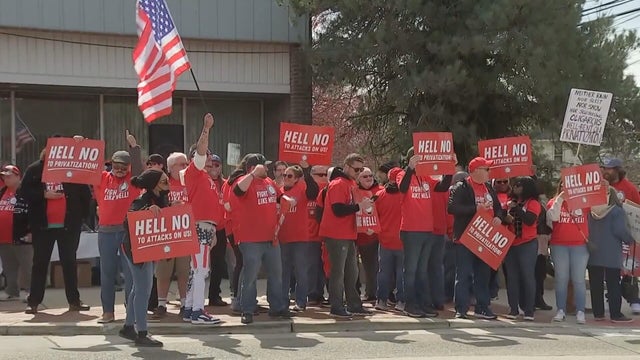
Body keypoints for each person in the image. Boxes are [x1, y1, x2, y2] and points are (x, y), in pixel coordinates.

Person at [21, 137, 92, 314]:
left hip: (68, 226)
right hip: (43, 226)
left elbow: (86, 196)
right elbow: (24, 191)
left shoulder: (73, 170)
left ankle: (74, 301)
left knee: (69, 262)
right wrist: (43, 194)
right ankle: (34, 302)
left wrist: (81, 218)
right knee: (40, 263)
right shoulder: (35, 169)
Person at [232, 153, 294, 324]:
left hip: (271, 238)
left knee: (276, 274)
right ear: (253, 168)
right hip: (251, 239)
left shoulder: (268, 182)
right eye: (264, 166)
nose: (267, 168)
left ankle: (277, 307)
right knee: (251, 275)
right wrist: (252, 175)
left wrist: (285, 198)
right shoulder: (245, 181)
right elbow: (238, 191)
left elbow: (278, 196)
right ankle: (247, 309)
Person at [397, 148, 452, 318]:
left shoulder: (427, 177)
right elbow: (403, 188)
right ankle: (410, 304)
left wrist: (450, 167)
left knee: (422, 270)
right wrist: (410, 168)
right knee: (411, 270)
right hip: (411, 230)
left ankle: (422, 303)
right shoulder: (403, 174)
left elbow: (442, 188)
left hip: (428, 229)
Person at [95, 132, 143, 323]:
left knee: (130, 274)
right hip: (105, 232)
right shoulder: (102, 179)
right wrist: (78, 144)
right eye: (116, 166)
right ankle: (108, 311)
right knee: (106, 272)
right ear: (111, 165)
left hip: (127, 231)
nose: (120, 170)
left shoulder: (133, 180)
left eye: (124, 167)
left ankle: (130, 311)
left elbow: (139, 170)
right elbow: (85, 169)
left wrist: (135, 148)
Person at [119, 169, 170, 347]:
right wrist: (147, 210)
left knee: (137, 289)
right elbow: (128, 219)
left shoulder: (162, 199)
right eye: (164, 182)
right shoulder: (142, 200)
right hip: (135, 250)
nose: (168, 184)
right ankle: (142, 333)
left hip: (146, 250)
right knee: (143, 291)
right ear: (153, 185)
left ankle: (128, 327)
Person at [181, 113, 223, 324]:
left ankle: (190, 308)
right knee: (201, 269)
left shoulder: (204, 178)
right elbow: (200, 150)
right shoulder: (194, 172)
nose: (209, 158)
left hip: (205, 228)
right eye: (207, 155)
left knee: (196, 268)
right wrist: (206, 128)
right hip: (198, 227)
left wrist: (213, 231)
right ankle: (198, 310)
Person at [319, 153, 373, 318]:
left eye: (360, 169)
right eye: (356, 169)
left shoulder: (349, 183)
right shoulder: (338, 184)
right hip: (336, 234)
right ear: (347, 166)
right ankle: (337, 305)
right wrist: (359, 206)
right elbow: (338, 209)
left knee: (352, 271)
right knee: (339, 272)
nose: (358, 172)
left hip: (347, 233)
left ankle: (354, 304)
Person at [448, 157, 502, 320]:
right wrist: (475, 209)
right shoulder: (461, 187)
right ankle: (461, 309)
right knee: (463, 275)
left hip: (484, 238)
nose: (489, 172)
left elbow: (498, 208)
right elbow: (452, 208)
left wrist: (499, 217)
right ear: (476, 170)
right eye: (486, 169)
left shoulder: (488, 188)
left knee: (483, 275)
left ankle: (482, 307)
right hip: (466, 238)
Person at [587, 186, 634, 323]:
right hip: (612, 253)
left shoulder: (591, 211)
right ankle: (615, 314)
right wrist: (630, 239)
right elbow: (620, 230)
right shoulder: (616, 212)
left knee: (596, 285)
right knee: (613, 284)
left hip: (593, 252)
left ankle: (598, 313)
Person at [278, 162, 320, 311]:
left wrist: (306, 170)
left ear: (296, 179)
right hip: (283, 238)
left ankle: (301, 302)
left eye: (289, 176)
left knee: (301, 271)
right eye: (284, 175)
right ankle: (283, 302)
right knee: (283, 271)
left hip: (300, 238)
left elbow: (313, 192)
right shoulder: (279, 191)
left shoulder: (302, 188)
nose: (286, 178)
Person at [601, 157, 640, 315]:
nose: (605, 171)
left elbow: (638, 208)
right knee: (610, 270)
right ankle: (613, 297)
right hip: (605, 235)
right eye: (604, 168)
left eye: (609, 169)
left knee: (629, 267)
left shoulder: (628, 187)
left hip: (625, 234)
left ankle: (634, 299)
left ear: (617, 170)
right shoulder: (600, 186)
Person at [153, 152, 190, 318]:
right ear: (171, 168)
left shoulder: (190, 183)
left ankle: (184, 303)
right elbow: (153, 205)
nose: (185, 167)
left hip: (185, 233)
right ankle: (161, 304)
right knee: (163, 271)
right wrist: (169, 206)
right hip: (166, 234)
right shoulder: (162, 184)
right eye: (182, 164)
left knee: (184, 270)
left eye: (186, 164)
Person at [546, 181, 589, 324]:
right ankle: (561, 310)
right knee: (561, 279)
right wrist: (560, 199)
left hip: (580, 246)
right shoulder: (554, 201)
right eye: (564, 185)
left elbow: (599, 210)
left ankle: (580, 311)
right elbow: (553, 218)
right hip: (559, 246)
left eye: (569, 185)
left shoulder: (583, 201)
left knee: (578, 280)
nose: (566, 188)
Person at [503, 176, 542, 321]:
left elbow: (530, 220)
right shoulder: (510, 202)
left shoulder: (533, 203)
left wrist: (517, 209)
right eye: (515, 185)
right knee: (512, 277)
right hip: (510, 243)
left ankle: (529, 311)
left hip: (527, 243)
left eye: (519, 185)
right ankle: (513, 309)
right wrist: (505, 216)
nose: (515, 187)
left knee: (527, 276)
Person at [0, 165, 32, 302]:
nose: (6, 179)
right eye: (4, 176)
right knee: (9, 266)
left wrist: (31, 231)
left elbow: (33, 212)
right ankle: (12, 291)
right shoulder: (2, 191)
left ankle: (31, 291)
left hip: (22, 235)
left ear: (18, 176)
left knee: (27, 266)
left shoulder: (25, 192)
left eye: (9, 176)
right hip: (4, 237)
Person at [374, 167, 404, 311]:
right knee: (401, 272)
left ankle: (381, 300)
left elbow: (374, 217)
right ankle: (401, 301)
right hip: (402, 239)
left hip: (384, 239)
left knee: (383, 272)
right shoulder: (405, 195)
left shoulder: (379, 195)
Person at [355, 167, 383, 301]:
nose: (368, 178)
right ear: (358, 179)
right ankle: (360, 293)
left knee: (374, 267)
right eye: (365, 176)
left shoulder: (381, 191)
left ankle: (373, 293)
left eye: (370, 175)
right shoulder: (353, 191)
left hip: (375, 236)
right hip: (356, 236)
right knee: (360, 267)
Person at [207, 153, 229, 307]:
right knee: (198, 267)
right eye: (211, 165)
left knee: (218, 264)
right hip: (204, 227)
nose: (214, 168)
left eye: (217, 165)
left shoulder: (226, 184)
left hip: (221, 229)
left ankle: (214, 296)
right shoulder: (203, 182)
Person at [307, 165, 329, 305]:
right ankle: (314, 295)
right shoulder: (306, 189)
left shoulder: (328, 189)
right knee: (313, 267)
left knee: (325, 268)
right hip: (310, 236)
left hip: (326, 235)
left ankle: (322, 294)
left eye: (325, 174)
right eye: (319, 174)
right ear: (311, 175)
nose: (323, 177)